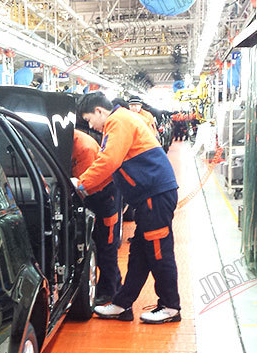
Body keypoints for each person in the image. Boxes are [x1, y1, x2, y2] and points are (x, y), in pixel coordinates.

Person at [73, 92, 181, 324]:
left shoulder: (118, 121)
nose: (90, 126)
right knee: (139, 254)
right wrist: (87, 187)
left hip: (154, 194)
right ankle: (122, 304)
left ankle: (171, 306)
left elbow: (109, 161)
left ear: (99, 111)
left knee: (159, 251)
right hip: (148, 196)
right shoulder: (120, 121)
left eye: (89, 119)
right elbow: (112, 168)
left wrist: (81, 185)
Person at [72, 129, 122, 305]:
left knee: (106, 247)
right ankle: (114, 286)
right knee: (103, 247)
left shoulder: (84, 148)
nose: (91, 124)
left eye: (90, 118)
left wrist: (75, 185)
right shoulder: (73, 142)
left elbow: (84, 186)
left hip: (103, 200)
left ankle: (109, 292)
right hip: (98, 198)